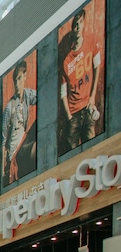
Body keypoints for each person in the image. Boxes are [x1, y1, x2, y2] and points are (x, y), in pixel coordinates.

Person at [58, 7, 102, 152]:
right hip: (73, 114)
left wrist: (92, 97)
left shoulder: (90, 42)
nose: (77, 27)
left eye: (80, 23)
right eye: (75, 24)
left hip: (87, 108)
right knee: (73, 156)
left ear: (83, 24)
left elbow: (97, 65)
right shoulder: (66, 61)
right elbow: (63, 93)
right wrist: (69, 117)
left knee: (93, 152)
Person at [2, 59, 37, 185]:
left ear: (25, 76)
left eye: (19, 78)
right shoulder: (9, 107)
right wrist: (3, 167)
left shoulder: (27, 94)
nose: (17, 83)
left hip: (24, 139)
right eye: (15, 80)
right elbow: (3, 139)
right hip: (16, 150)